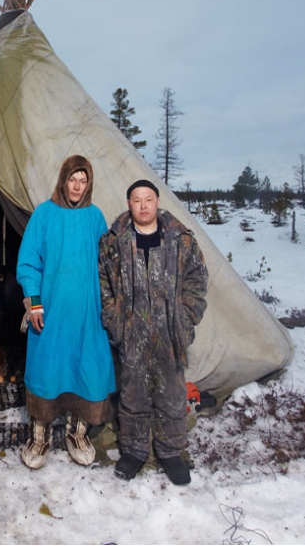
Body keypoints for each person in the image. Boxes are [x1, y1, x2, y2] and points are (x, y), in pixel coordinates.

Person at [98, 179, 209, 486]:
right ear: (129, 204)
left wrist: (186, 318)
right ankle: (134, 452)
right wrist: (114, 317)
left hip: (169, 331)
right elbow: (103, 282)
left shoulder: (180, 239)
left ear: (158, 202)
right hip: (132, 328)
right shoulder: (115, 240)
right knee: (133, 393)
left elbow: (198, 278)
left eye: (149, 199)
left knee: (171, 394)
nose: (143, 205)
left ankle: (171, 453)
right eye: (137, 200)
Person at [17, 154, 116, 469]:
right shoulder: (44, 215)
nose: (77, 186)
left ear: (89, 184)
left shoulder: (94, 217)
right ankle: (39, 437)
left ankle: (77, 434)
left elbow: (106, 264)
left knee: (87, 369)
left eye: (83, 180)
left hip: (87, 313)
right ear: (63, 180)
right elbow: (29, 262)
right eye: (73, 179)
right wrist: (33, 303)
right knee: (48, 371)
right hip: (51, 312)